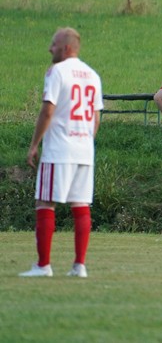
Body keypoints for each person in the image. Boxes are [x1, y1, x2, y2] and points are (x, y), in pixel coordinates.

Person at [20, 28, 103, 278]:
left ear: (66, 48)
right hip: (84, 149)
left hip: (59, 149)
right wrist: (86, 141)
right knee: (81, 205)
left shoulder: (57, 71)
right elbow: (96, 117)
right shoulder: (92, 74)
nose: (50, 49)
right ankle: (79, 266)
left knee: (45, 202)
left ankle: (43, 265)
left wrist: (34, 144)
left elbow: (48, 110)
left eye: (53, 44)